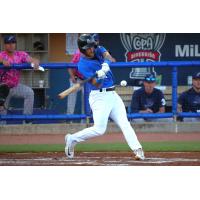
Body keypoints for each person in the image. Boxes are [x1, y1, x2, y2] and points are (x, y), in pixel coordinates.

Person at [64, 34, 144, 160]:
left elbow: (108, 56)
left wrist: (105, 65)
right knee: (99, 129)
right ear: (82, 50)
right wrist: (99, 76)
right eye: (88, 48)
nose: (92, 49)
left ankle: (138, 150)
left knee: (125, 123)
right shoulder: (82, 65)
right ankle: (72, 139)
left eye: (92, 46)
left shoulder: (97, 48)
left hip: (113, 94)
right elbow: (94, 83)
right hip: (99, 97)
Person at [66, 33, 115, 116]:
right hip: (77, 79)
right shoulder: (78, 54)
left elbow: (111, 59)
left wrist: (105, 66)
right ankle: (69, 117)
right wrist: (72, 77)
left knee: (86, 100)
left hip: (90, 80)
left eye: (96, 40)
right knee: (71, 100)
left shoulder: (98, 49)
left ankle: (85, 119)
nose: (95, 44)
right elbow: (70, 66)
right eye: (94, 40)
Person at [0, 34, 40, 121]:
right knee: (2, 114)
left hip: (15, 86)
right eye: (8, 43)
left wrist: (35, 61)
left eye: (13, 42)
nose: (11, 45)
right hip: (2, 88)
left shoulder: (20, 54)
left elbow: (31, 59)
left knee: (29, 93)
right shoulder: (2, 54)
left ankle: (27, 119)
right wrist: (2, 61)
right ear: (5, 45)